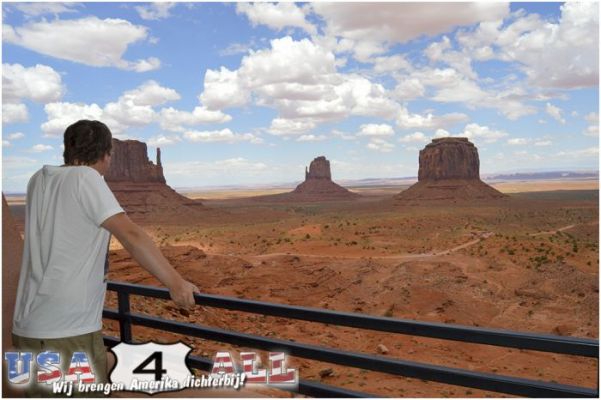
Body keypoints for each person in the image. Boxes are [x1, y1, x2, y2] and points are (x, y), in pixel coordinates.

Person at [11, 120, 199, 396]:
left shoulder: (39, 179)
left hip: (29, 327)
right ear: (106, 153)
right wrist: (176, 283)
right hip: (66, 331)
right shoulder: (86, 178)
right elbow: (131, 234)